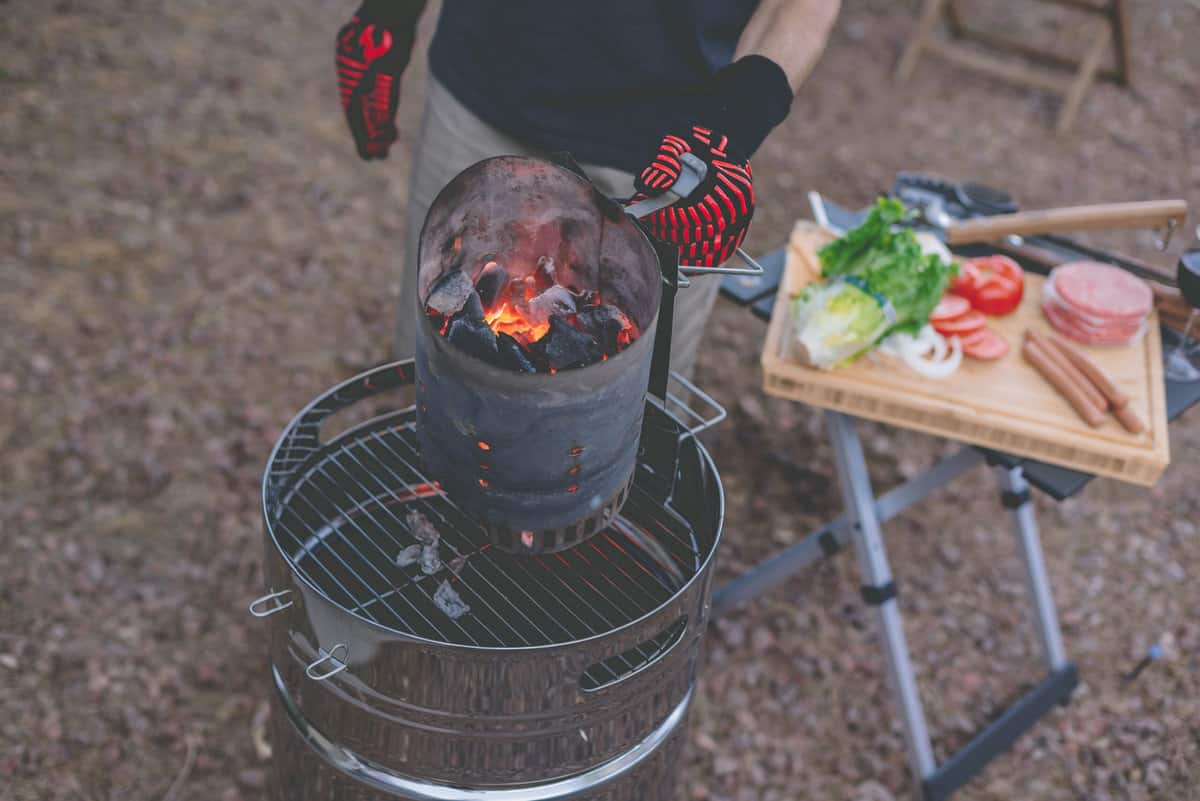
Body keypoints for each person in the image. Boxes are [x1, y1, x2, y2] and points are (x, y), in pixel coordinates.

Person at [335, 0, 840, 375]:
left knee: (628, 432)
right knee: (431, 375)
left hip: (667, 156)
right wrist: (390, 12)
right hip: (480, 97)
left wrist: (738, 117)